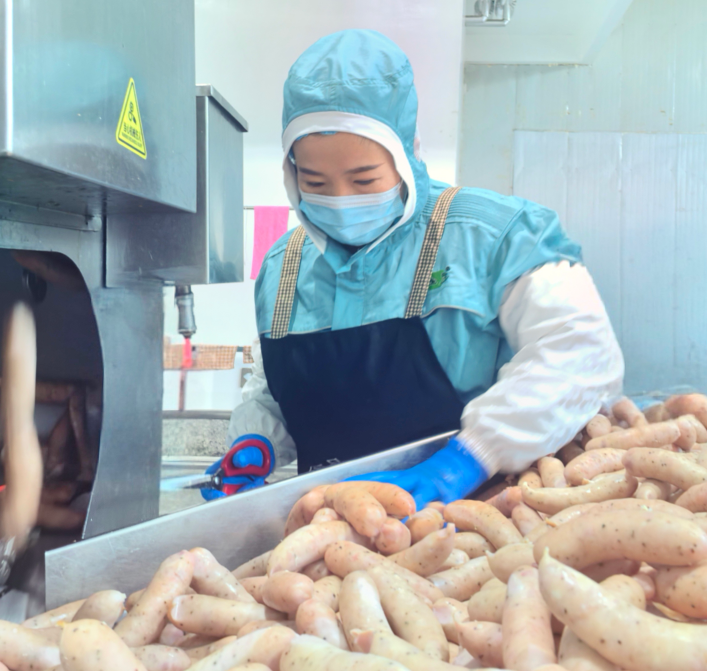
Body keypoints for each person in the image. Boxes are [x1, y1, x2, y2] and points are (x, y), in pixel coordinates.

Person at [207, 29, 624, 508]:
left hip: (480, 519)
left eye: (364, 179)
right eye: (315, 182)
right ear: (291, 171)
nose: (340, 199)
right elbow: (277, 391)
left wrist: (469, 458)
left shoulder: (496, 237)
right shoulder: (284, 268)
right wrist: (257, 441)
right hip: (330, 526)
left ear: (409, 156)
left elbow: (581, 353)